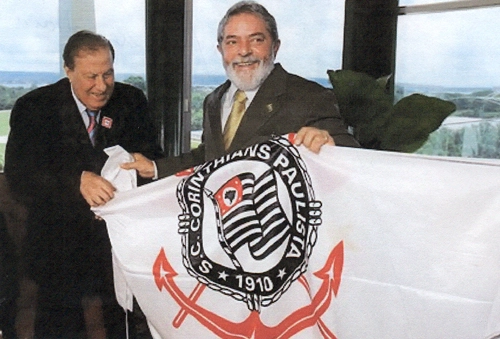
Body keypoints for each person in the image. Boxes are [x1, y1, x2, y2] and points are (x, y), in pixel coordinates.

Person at [4, 30, 162, 338]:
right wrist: (76, 180)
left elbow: (154, 159)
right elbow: (20, 175)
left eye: (108, 74)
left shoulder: (131, 100)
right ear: (68, 70)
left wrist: (135, 169)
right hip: (59, 247)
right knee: (58, 328)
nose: (101, 86)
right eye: (91, 76)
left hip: (119, 245)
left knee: (128, 326)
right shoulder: (34, 107)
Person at [122, 0, 359, 179]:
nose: (243, 51)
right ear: (221, 50)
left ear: (275, 46)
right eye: (232, 42)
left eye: (256, 40)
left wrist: (329, 144)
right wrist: (154, 167)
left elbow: (354, 158)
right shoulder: (213, 101)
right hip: (219, 232)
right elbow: (208, 157)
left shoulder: (309, 97)